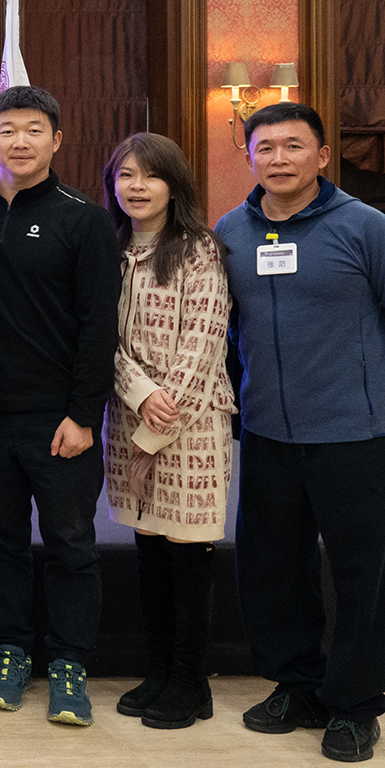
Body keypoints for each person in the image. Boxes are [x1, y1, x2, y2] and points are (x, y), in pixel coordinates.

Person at [216, 103, 385, 763]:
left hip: (353, 434)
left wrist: (360, 369)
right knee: (273, 568)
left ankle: (355, 704)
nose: (278, 158)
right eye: (265, 147)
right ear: (249, 158)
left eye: (293, 145)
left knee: (363, 574)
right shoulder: (230, 231)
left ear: (321, 156)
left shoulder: (368, 228)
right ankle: (297, 685)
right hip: (266, 433)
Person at [0, 86, 120, 728]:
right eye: (8, 130)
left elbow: (98, 326)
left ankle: (70, 664)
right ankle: (12, 651)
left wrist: (84, 415)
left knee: (72, 543)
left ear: (56, 140)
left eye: (33, 130)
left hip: (59, 420)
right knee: (1, 542)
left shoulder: (84, 219)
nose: (19, 142)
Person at [102, 132, 235, 730]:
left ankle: (190, 681)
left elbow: (204, 344)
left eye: (150, 175)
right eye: (126, 175)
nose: (137, 187)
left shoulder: (199, 249)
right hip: (129, 416)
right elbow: (98, 336)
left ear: (174, 184)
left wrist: (161, 410)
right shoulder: (108, 248)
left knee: (187, 552)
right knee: (150, 549)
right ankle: (158, 671)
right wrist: (139, 393)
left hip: (191, 421)